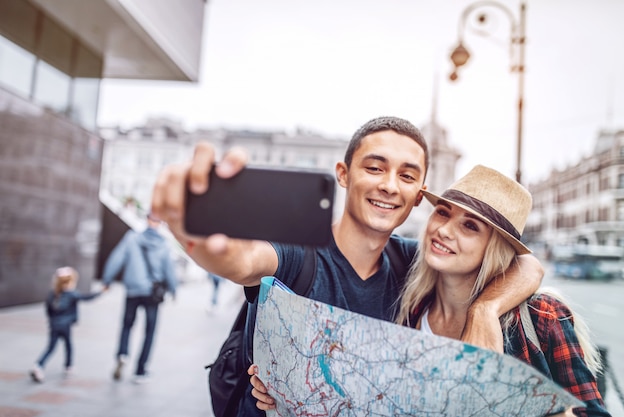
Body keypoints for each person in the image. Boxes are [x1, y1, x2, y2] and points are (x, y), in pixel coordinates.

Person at [151, 116, 544, 415]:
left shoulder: (411, 262)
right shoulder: (297, 253)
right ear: (344, 174)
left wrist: (485, 309)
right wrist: (196, 231)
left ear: (418, 194)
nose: (390, 185)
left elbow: (527, 267)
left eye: (407, 176)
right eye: (374, 168)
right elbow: (241, 260)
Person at [392, 165, 608, 416]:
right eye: (442, 212)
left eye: (470, 226)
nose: (444, 230)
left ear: (494, 248)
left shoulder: (541, 316)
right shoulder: (411, 307)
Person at [102, 212, 178, 384]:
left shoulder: (132, 238)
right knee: (149, 331)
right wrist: (173, 289)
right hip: (152, 292)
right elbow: (169, 269)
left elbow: (117, 258)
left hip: (133, 290)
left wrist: (107, 279)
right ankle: (140, 370)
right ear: (160, 223)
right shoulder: (164, 244)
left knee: (127, 325)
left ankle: (122, 354)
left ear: (147, 220)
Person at [30, 266, 104, 383]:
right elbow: (86, 297)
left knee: (51, 347)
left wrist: (51, 320)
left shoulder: (52, 294)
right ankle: (68, 367)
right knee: (68, 346)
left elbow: (48, 310)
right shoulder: (72, 294)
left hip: (54, 325)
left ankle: (39, 365)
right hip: (65, 325)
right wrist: (100, 292)